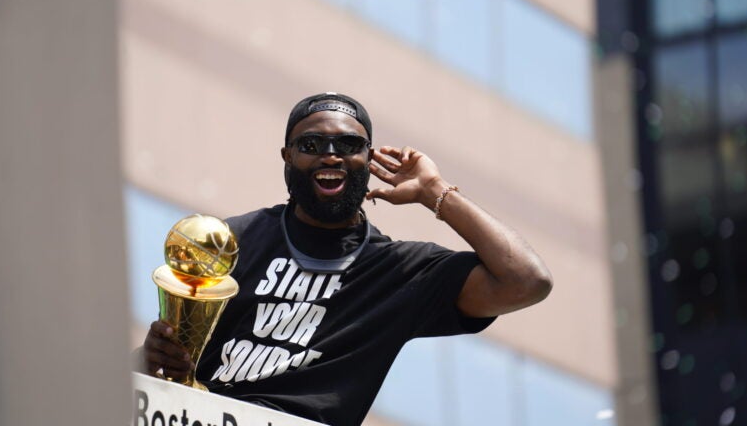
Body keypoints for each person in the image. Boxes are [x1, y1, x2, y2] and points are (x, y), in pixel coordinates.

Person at [139, 92, 552, 426]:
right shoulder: (236, 240)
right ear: (287, 157)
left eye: (349, 145)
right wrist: (155, 357)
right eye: (311, 145)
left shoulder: (399, 272)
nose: (331, 155)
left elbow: (526, 281)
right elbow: (154, 366)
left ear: (369, 160)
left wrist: (435, 191)